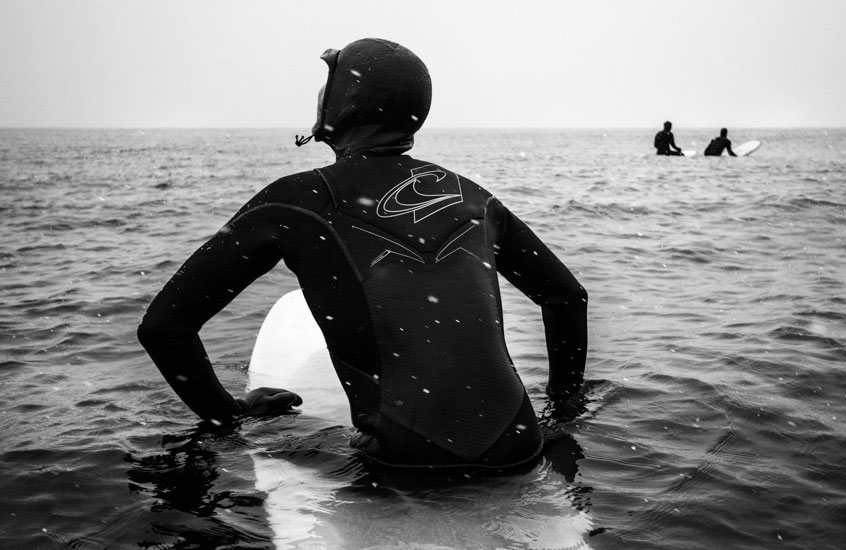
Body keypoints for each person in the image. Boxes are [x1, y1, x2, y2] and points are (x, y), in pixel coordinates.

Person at [137, 38, 588, 470]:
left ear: (345, 100)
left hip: (402, 459)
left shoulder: (297, 200)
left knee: (203, 463)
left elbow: (164, 328)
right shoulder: (477, 199)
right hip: (520, 445)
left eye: (327, 85)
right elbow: (567, 297)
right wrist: (562, 409)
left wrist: (228, 416)